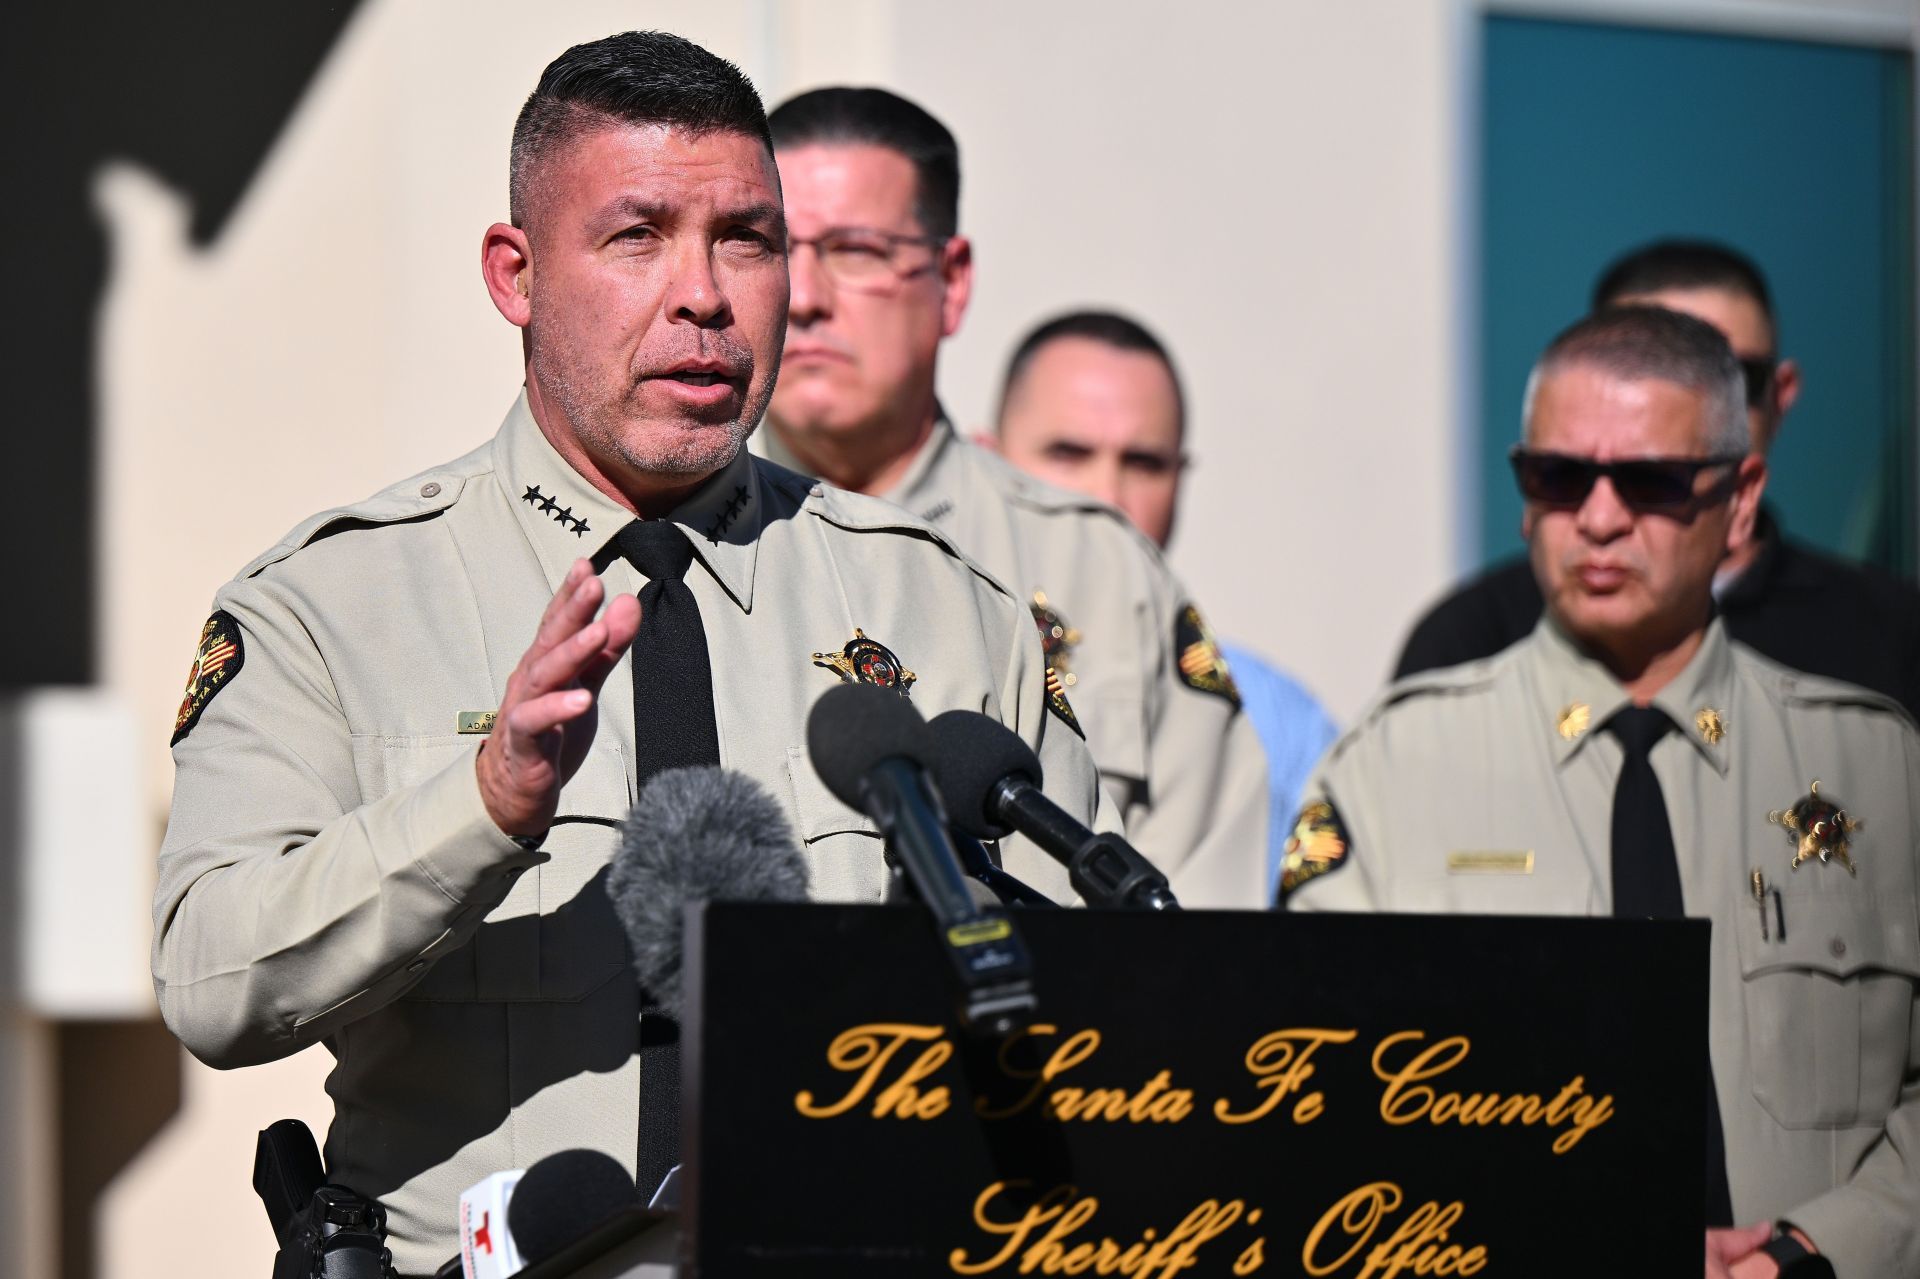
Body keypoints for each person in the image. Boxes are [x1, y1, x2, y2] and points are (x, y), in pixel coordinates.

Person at [150, 33, 1114, 1275]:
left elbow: (1098, 1016)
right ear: (517, 274)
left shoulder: (946, 612)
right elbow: (211, 985)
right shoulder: (333, 605)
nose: (705, 295)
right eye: (637, 236)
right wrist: (483, 805)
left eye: (749, 240)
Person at [1287, 306, 1919, 1278]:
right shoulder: (1390, 771)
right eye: (1560, 476)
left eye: (1652, 482)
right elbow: (1319, 1088)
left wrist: (1812, 1249)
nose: (1600, 516)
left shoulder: (1879, 768)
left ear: (1741, 495)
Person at [758, 87, 1269, 907]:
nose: (807, 295)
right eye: (773, 246)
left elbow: (1200, 928)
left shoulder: (1101, 567)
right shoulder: (667, 546)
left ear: (952, 282)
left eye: (856, 251)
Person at [1394, 241, 1920, 717]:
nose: (1681, 405)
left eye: (1731, 379)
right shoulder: (1467, 642)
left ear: (1781, 395)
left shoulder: (1890, 639)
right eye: (1638, 369)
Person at [989, 310, 1337, 897]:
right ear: (985, 461)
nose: (1108, 496)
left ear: (1182, 477)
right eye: (1069, 453)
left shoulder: (1280, 724)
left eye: (1144, 463)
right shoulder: (934, 649)